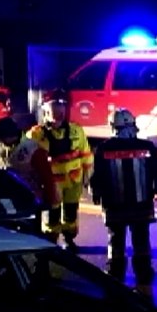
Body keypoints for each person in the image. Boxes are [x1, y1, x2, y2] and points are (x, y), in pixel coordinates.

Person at [90, 109, 157, 283]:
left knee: (116, 239)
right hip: (141, 204)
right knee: (141, 238)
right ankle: (143, 271)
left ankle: (115, 271)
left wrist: (96, 193)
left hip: (114, 205)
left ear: (113, 126)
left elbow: (97, 176)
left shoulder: (104, 148)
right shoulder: (147, 147)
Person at [27, 90, 93, 247]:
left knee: (71, 213)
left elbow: (86, 155)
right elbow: (26, 161)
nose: (59, 110)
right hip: (51, 184)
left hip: (73, 182)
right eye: (55, 106)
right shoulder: (36, 134)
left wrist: (88, 177)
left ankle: (70, 239)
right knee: (52, 215)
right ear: (45, 110)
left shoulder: (76, 130)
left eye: (62, 106)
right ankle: (51, 243)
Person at [0, 116, 57, 237]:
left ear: (11, 135)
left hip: (29, 196)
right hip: (8, 197)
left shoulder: (31, 148)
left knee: (29, 232)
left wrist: (50, 198)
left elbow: (46, 175)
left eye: (3, 139)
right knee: (6, 229)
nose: (1, 142)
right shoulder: (1, 146)